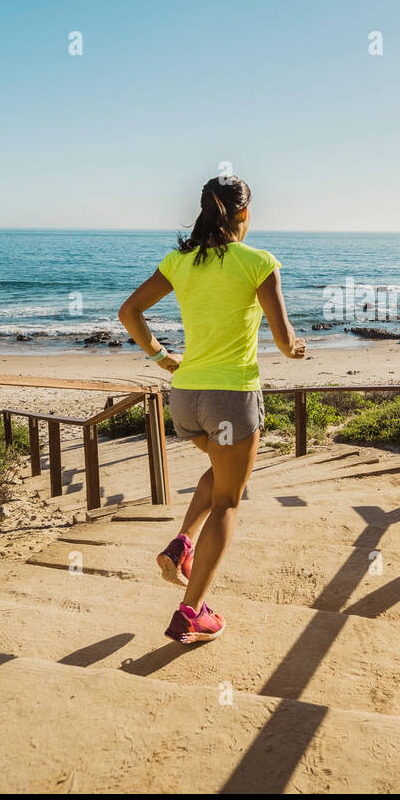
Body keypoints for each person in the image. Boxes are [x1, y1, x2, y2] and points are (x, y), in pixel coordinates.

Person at [118, 175, 305, 643]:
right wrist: (295, 348)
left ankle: (182, 544)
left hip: (185, 398)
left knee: (223, 476)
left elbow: (129, 313)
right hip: (231, 397)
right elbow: (283, 341)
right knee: (228, 501)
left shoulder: (179, 262)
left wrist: (163, 358)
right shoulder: (258, 262)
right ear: (243, 213)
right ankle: (190, 613)